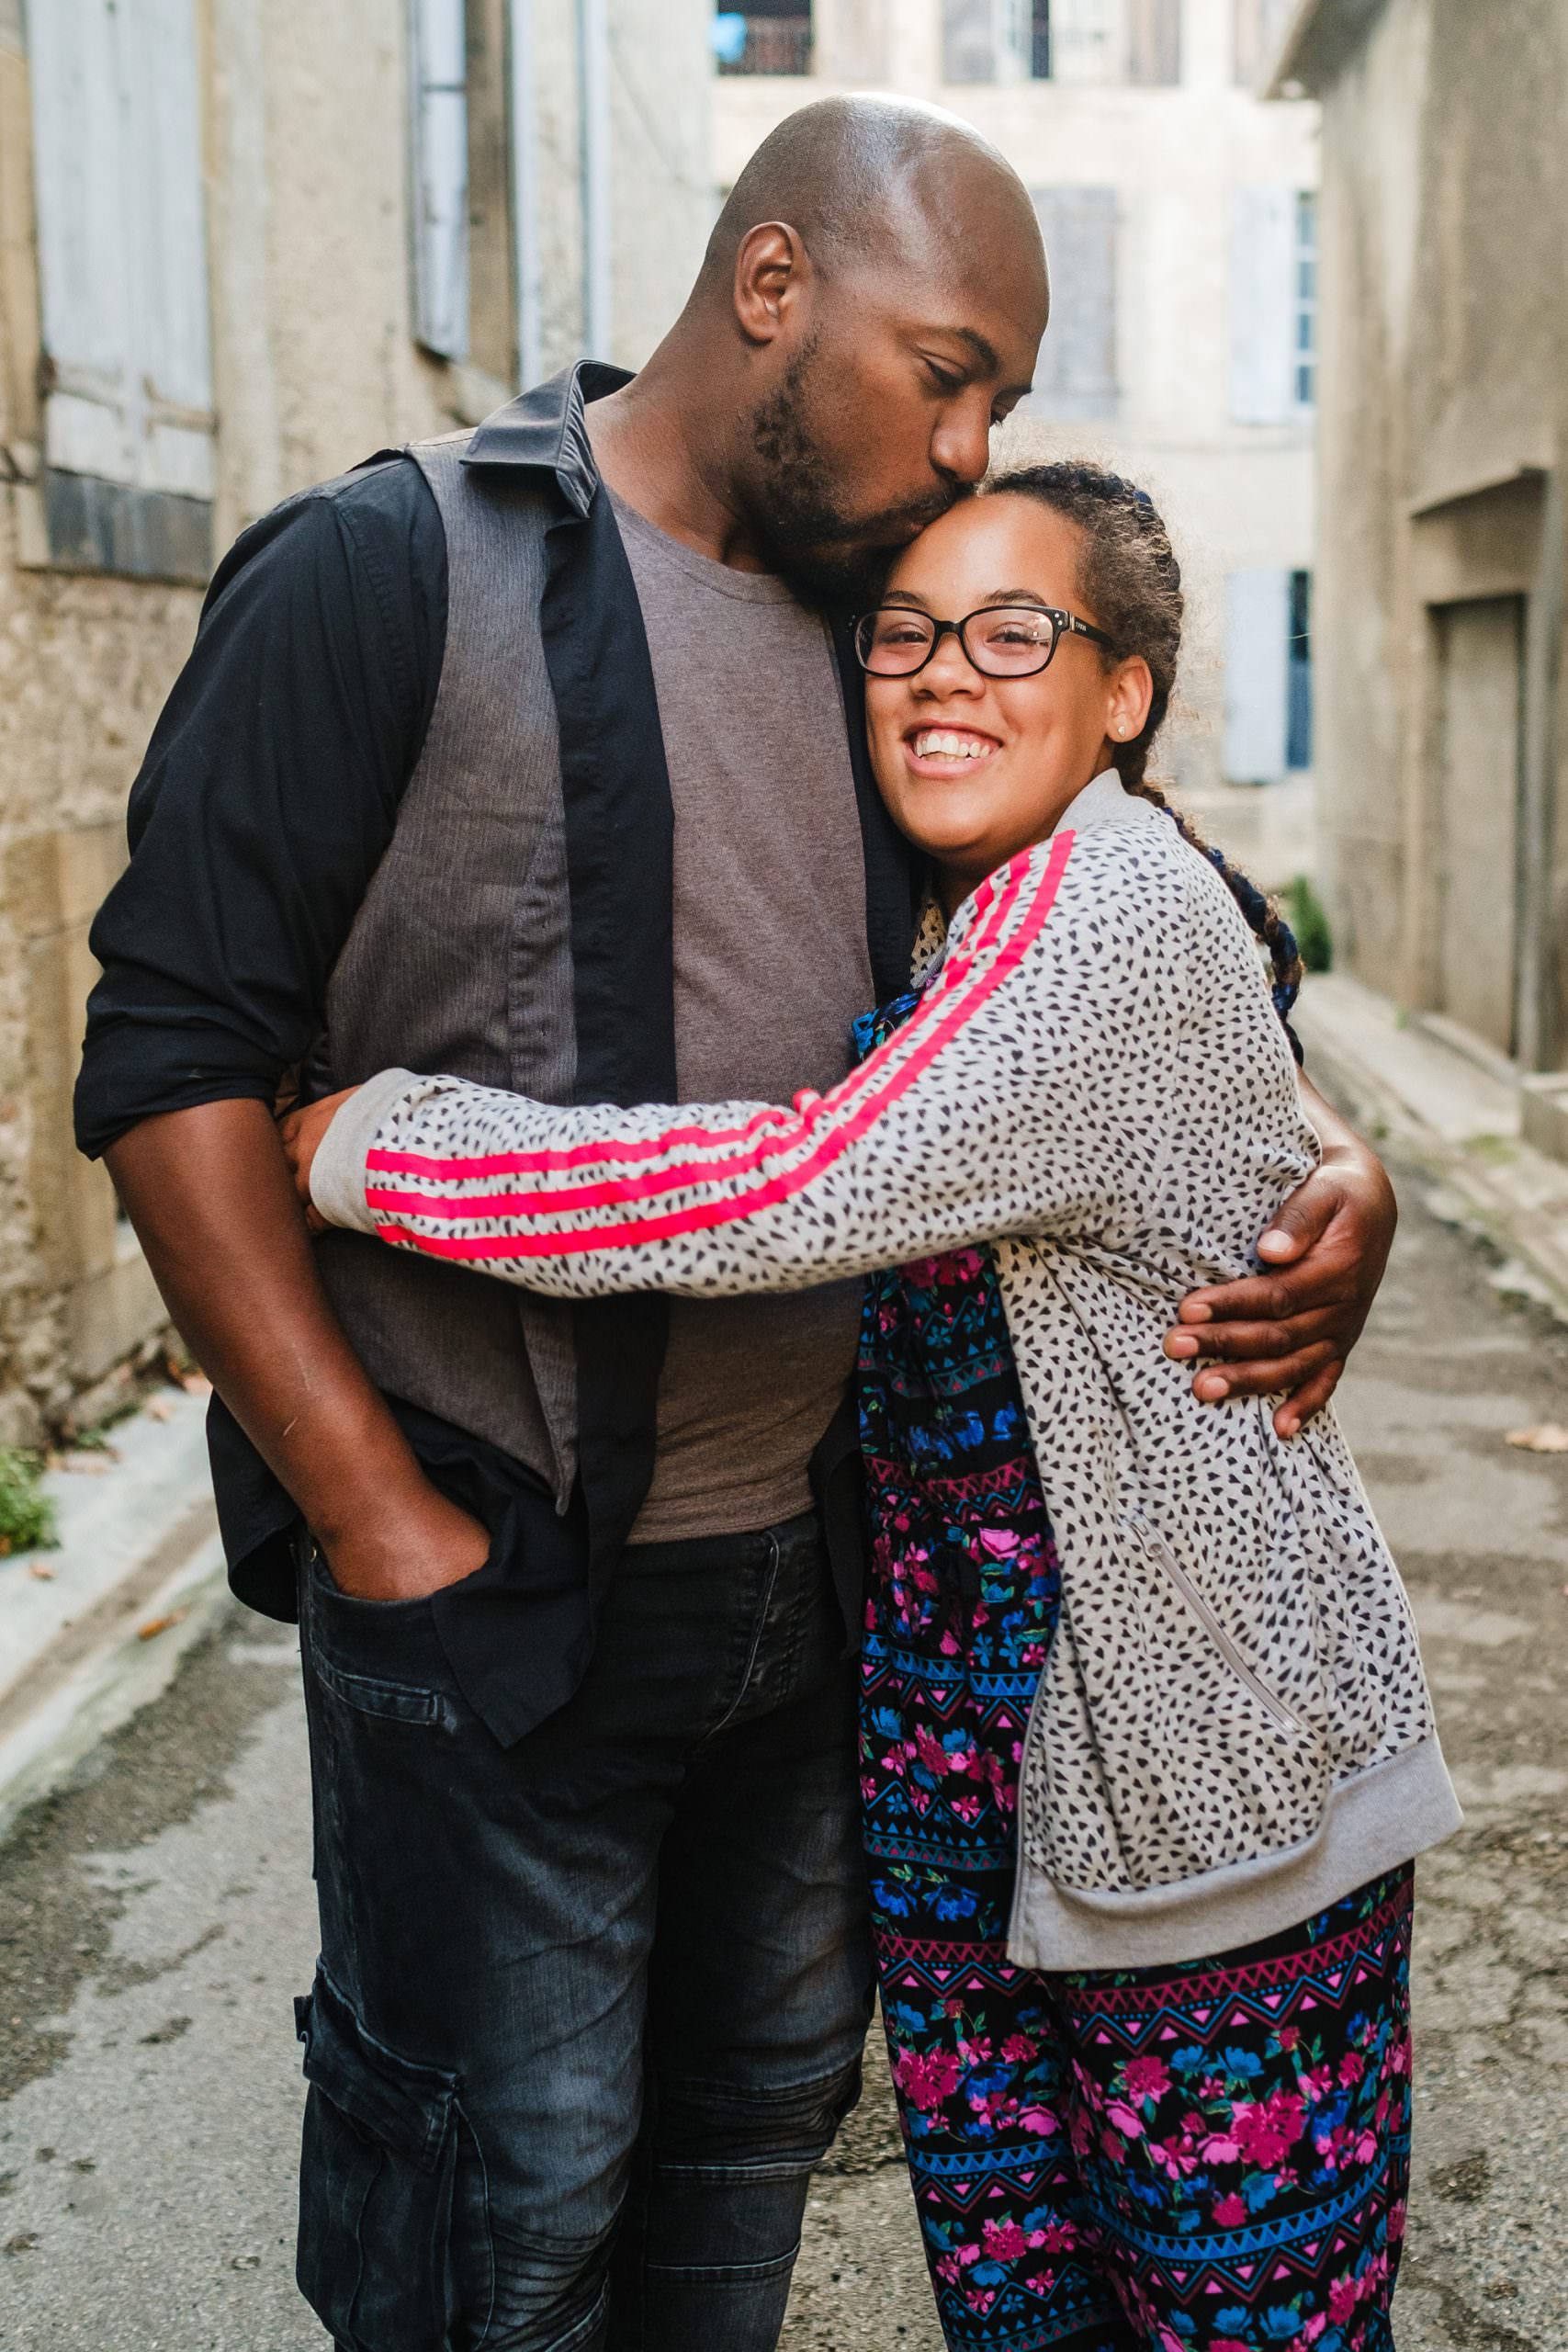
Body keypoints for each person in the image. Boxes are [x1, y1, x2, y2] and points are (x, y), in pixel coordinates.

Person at [75, 94, 1398, 2352]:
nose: (971, 447)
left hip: (823, 1597)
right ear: (771, 288)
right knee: (506, 2207)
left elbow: (1132, 919)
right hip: (503, 1582)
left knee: (741, 2166)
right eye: (948, 369)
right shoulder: (393, 565)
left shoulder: (873, 619)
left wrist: (1319, 1170)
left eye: (994, 402)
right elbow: (173, 1061)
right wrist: (378, 1516)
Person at [285, 463, 1455, 2352]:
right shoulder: (957, 897)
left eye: (1014, 634)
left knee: (1236, 2309)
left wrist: (366, 1138)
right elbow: (1246, 1031)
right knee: (1027, 2304)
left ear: (1124, 690)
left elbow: (786, 1189)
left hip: (1201, 1761)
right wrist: (1343, 1150)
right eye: (903, 632)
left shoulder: (1104, 905)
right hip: (972, 1767)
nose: (940, 674)